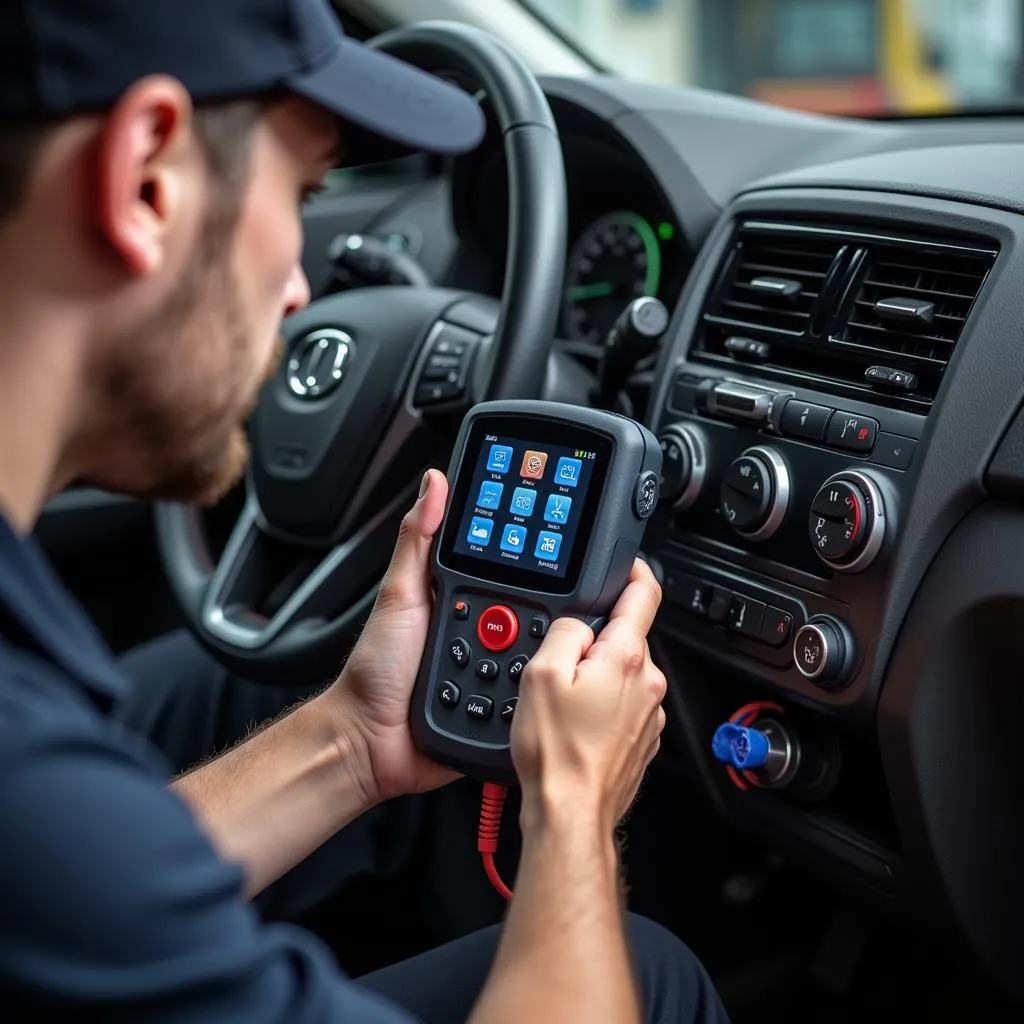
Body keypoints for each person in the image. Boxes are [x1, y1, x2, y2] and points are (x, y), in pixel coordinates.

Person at [0, 1, 730, 1021]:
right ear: (145, 179)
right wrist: (571, 804)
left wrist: (353, 738)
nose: (301, 290)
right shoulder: (31, 775)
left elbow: (65, 893)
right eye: (301, 193)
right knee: (653, 976)